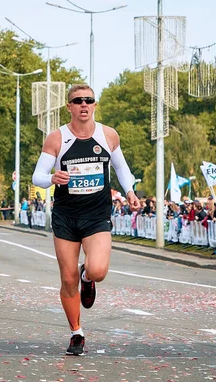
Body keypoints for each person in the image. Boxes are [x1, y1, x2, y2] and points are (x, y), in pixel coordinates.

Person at [32, 84, 140, 356]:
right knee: (68, 280)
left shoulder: (108, 135)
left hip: (96, 216)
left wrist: (129, 191)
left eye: (88, 100)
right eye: (77, 101)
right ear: (69, 107)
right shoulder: (57, 139)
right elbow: (38, 176)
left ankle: (87, 275)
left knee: (98, 271)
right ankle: (76, 332)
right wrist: (52, 178)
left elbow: (121, 168)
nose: (83, 105)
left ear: (94, 105)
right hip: (66, 216)